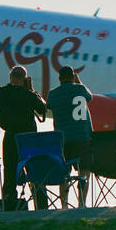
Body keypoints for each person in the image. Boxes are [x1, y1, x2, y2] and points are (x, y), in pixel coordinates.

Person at [0, 65, 49, 211]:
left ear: (10, 77)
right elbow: (43, 109)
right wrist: (31, 90)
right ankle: (41, 204)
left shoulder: (0, 92)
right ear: (24, 79)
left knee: (9, 171)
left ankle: (9, 202)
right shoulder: (28, 95)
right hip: (29, 138)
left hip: (10, 135)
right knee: (34, 170)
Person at [46, 65, 94, 208]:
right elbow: (90, 97)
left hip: (63, 138)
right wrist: (78, 82)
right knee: (84, 170)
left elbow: (48, 106)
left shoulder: (53, 93)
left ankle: (64, 204)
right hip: (83, 136)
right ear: (73, 77)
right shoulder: (80, 89)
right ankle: (82, 203)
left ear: (59, 78)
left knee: (64, 172)